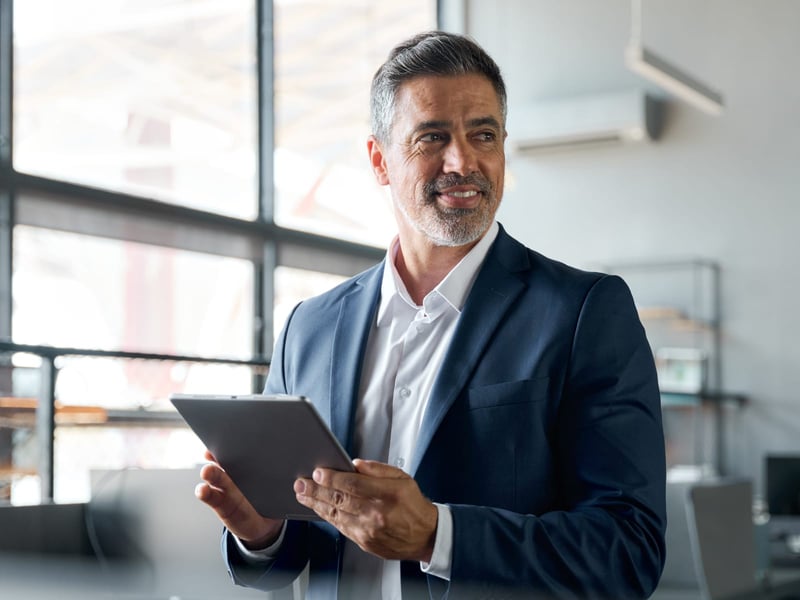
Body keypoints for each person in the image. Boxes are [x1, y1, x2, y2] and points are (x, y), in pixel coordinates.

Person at [196, 30, 666, 599]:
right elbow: (299, 554)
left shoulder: (584, 312)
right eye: (433, 136)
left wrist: (438, 536)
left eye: (483, 135)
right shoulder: (309, 328)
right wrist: (262, 533)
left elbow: (629, 551)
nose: (463, 160)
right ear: (380, 161)